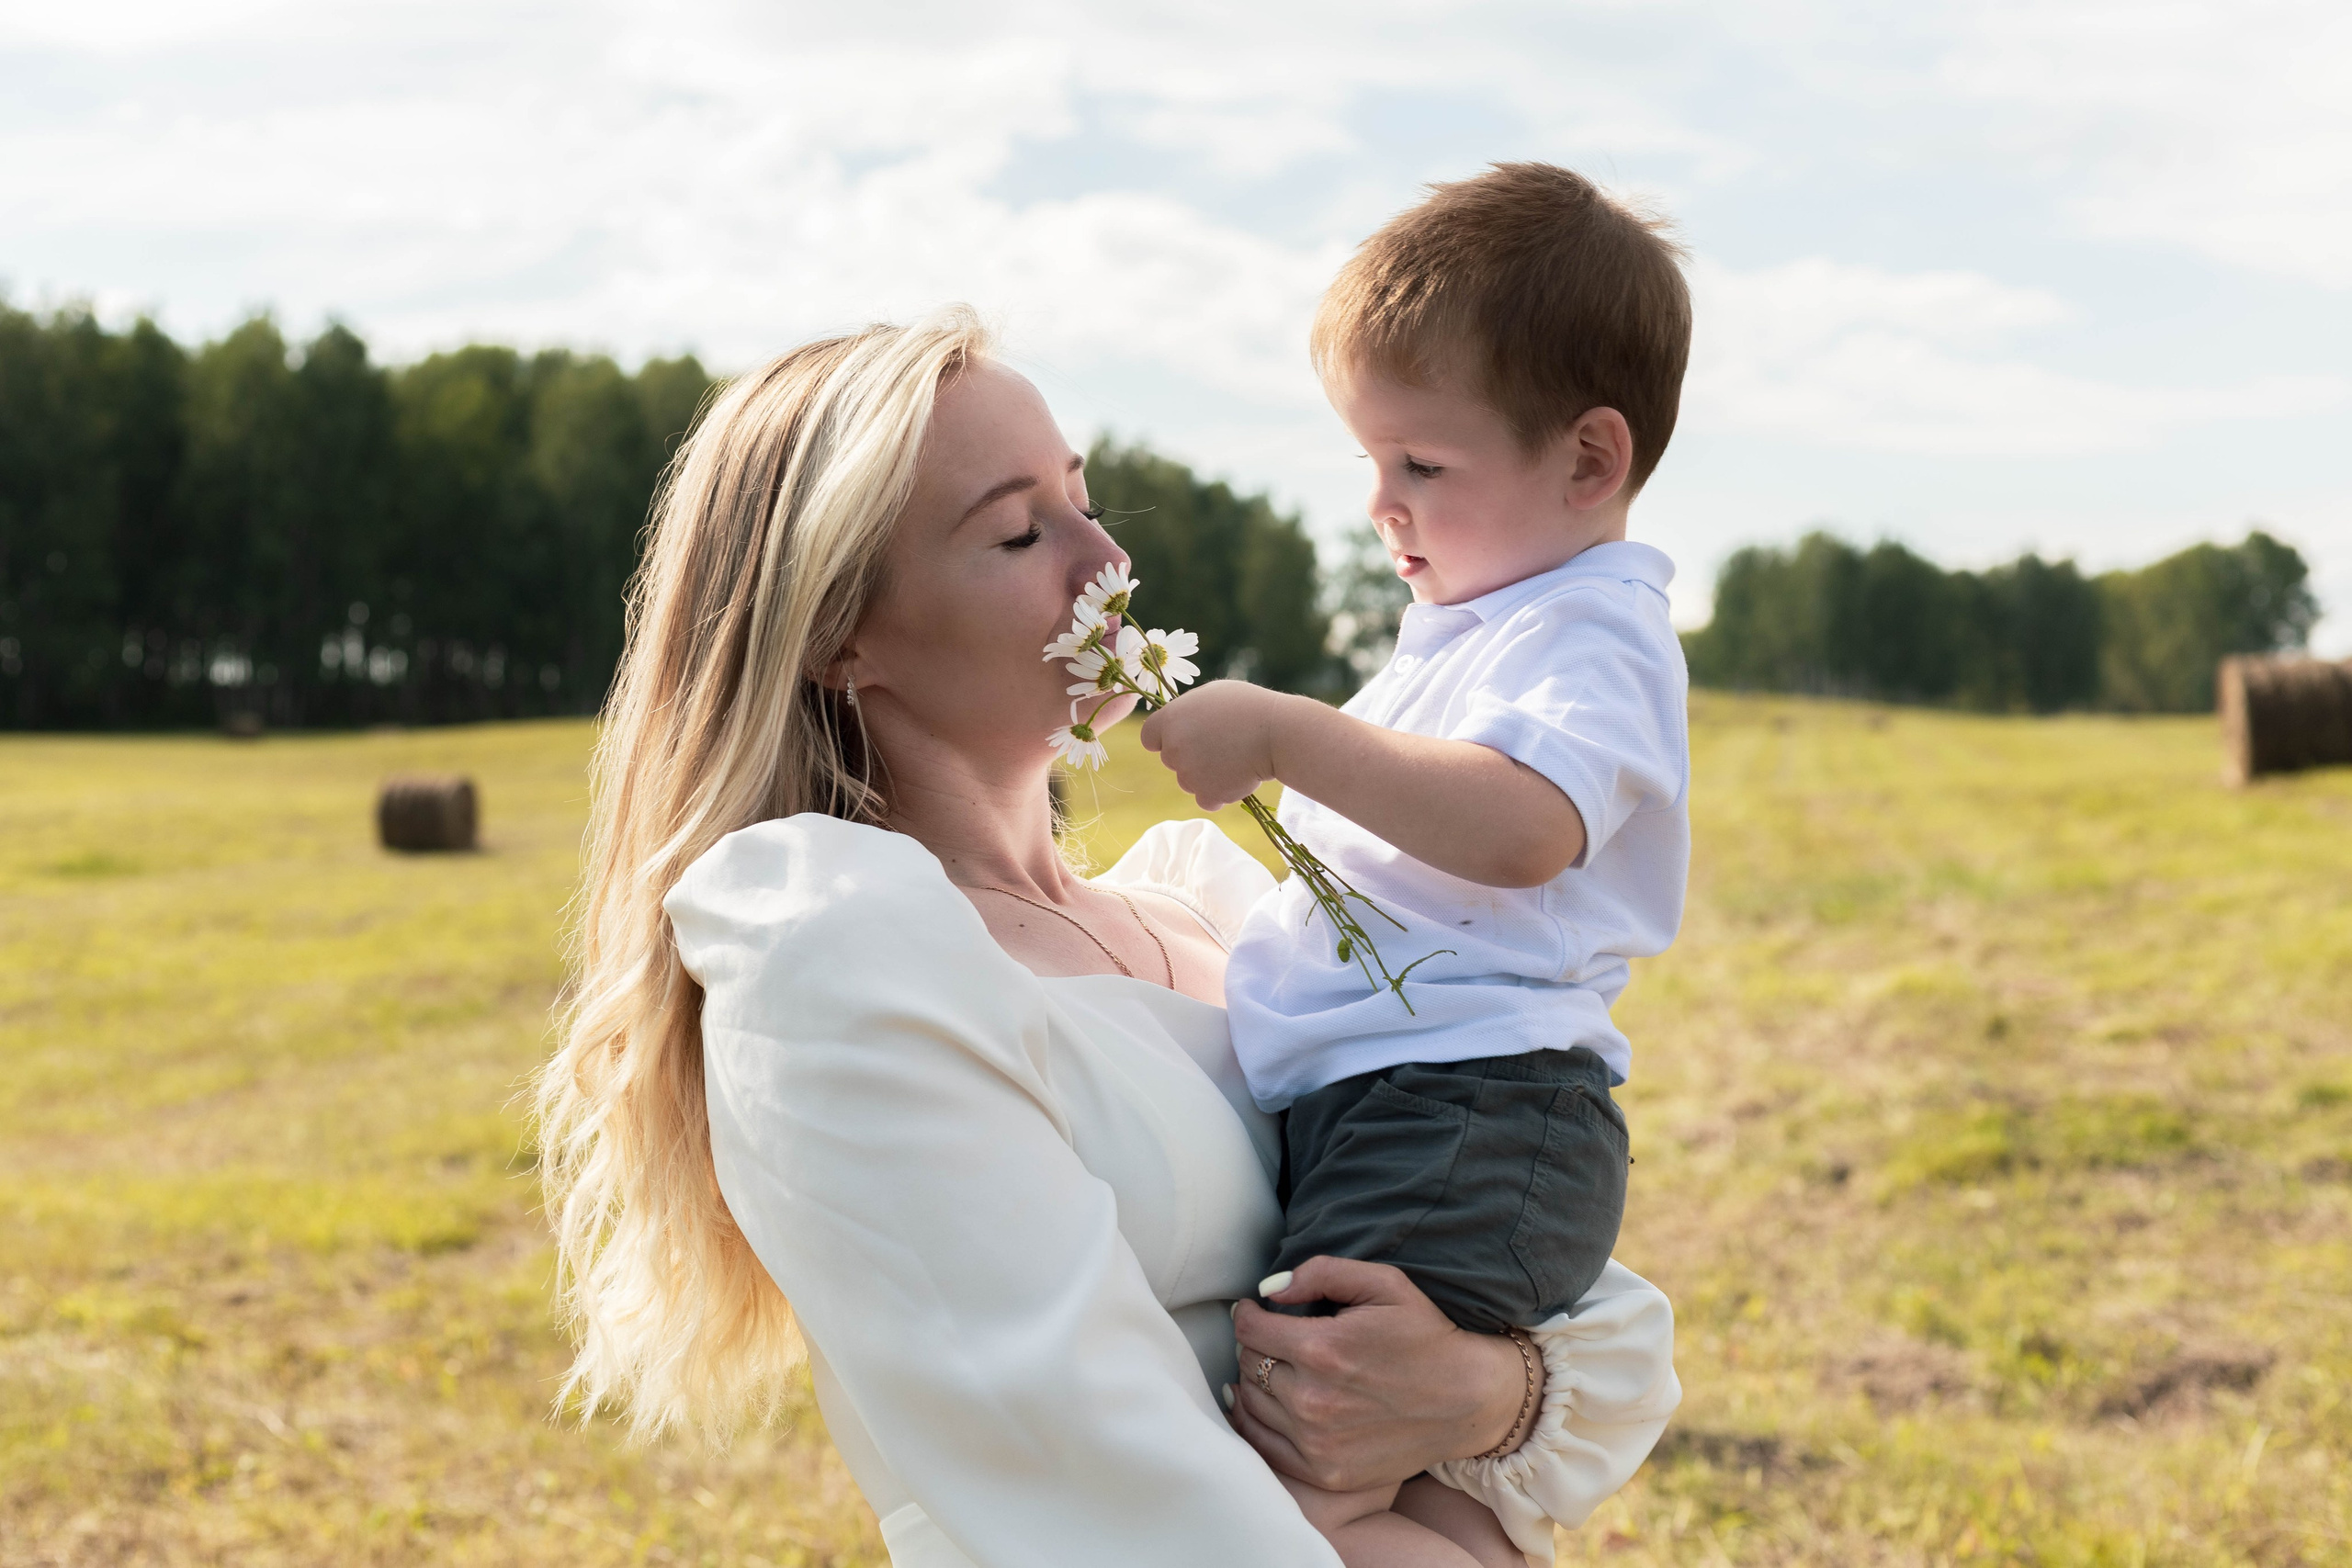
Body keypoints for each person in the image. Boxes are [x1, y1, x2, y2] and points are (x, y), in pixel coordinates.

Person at [531, 306, 1679, 1568]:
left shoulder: (1227, 915)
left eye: (1087, 504)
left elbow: (1611, 1331)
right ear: (840, 638)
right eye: (1021, 532)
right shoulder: (844, 962)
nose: (1103, 569)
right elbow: (1112, 1497)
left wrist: (1486, 1393)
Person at [1139, 163, 1693, 1565]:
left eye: (1422, 468)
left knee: (1302, 1500)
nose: (1383, 506)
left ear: (1587, 461)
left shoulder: (1593, 632)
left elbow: (1519, 828)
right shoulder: (1476, 631)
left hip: (1468, 1115)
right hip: (1417, 1113)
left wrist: (1281, 734)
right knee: (1398, 1490)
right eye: (1371, 465)